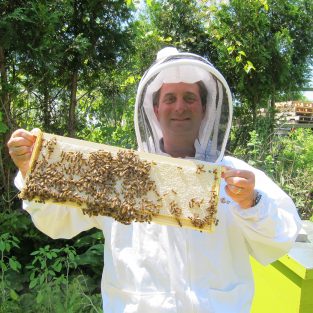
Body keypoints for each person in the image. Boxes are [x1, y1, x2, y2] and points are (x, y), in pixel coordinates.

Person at [7, 47, 301, 313]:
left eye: (190, 98)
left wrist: (251, 202)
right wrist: (33, 171)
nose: (180, 107)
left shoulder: (235, 176)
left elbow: (281, 239)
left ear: (204, 109)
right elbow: (56, 222)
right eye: (169, 98)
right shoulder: (119, 174)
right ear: (155, 109)